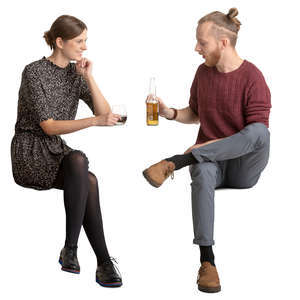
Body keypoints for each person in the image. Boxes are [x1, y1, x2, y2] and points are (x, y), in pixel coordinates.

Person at [143, 8, 271, 293]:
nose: (197, 48)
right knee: (201, 168)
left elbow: (255, 137)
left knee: (260, 131)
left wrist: (201, 149)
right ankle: (207, 262)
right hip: (209, 163)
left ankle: (178, 161)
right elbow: (196, 113)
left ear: (223, 43)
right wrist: (171, 112)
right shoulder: (203, 73)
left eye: (203, 43)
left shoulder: (253, 77)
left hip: (242, 168)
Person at [10, 15, 122, 288]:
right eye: (79, 41)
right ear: (60, 42)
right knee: (79, 160)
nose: (84, 47)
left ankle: (97, 260)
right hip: (30, 151)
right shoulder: (34, 72)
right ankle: (79, 251)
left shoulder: (76, 74)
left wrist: (89, 78)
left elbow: (105, 113)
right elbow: (48, 127)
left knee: (88, 177)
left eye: (85, 41)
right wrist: (94, 121)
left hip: (57, 152)